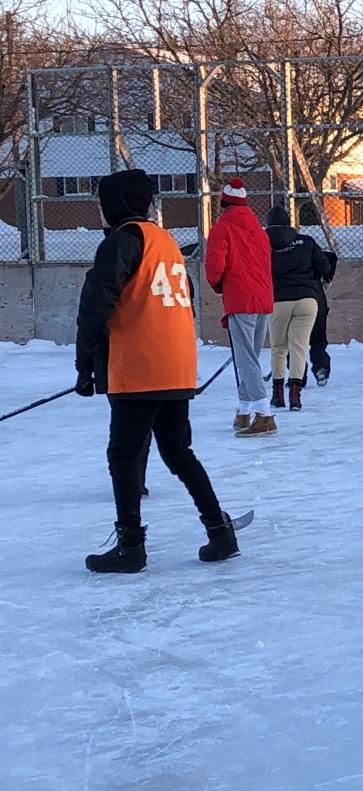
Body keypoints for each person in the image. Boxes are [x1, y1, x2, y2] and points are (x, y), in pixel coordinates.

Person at [74, 169, 239, 573]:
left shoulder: (123, 240)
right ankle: (219, 530)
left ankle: (131, 545)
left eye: (101, 203)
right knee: (178, 452)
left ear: (115, 204)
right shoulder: (165, 242)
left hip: (139, 366)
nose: (99, 211)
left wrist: (85, 361)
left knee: (124, 454)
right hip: (176, 366)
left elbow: (97, 301)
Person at [205, 178, 275, 437]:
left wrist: (219, 285)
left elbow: (214, 266)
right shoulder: (259, 231)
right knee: (250, 357)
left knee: (245, 358)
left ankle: (264, 414)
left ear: (224, 203)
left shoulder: (222, 228)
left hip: (241, 298)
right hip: (263, 298)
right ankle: (244, 411)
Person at [264, 205, 331, 411]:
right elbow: (325, 267)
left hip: (278, 300)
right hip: (307, 299)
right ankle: (295, 396)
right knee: (299, 346)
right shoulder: (307, 242)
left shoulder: (262, 244)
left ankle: (278, 396)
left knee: (279, 348)